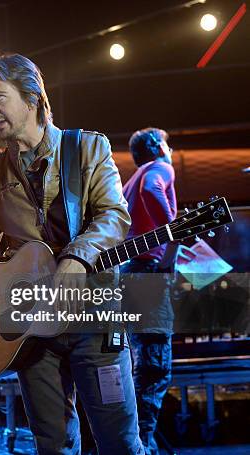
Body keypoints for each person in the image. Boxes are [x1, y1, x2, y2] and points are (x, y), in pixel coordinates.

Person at [0, 53, 144, 454]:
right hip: (32, 330)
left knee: (119, 441)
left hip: (95, 316)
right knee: (53, 445)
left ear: (31, 98)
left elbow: (115, 215)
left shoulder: (88, 148)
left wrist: (77, 256)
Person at [121, 128, 177, 455]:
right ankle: (145, 446)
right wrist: (175, 234)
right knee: (155, 366)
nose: (170, 149)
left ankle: (139, 442)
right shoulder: (159, 169)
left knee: (141, 366)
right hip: (147, 272)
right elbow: (152, 189)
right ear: (156, 147)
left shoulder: (131, 178)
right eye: (167, 144)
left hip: (130, 274)